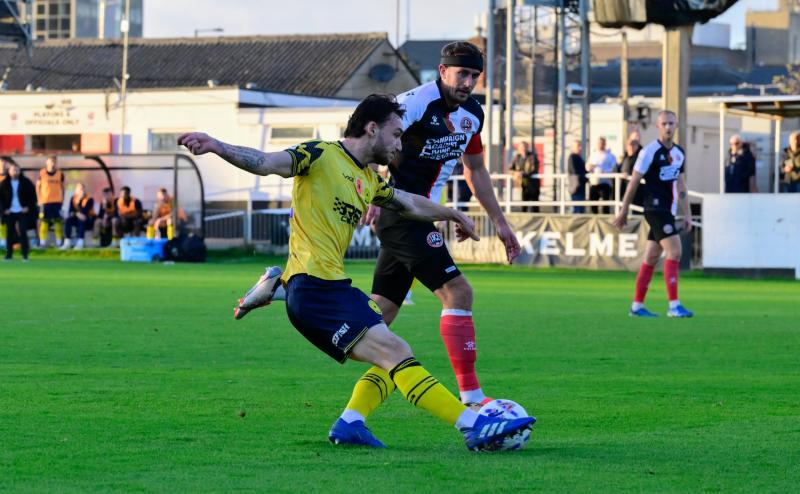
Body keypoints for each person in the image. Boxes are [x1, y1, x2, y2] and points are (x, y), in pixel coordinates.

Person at [177, 94, 534, 451]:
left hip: (334, 288)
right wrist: (216, 145)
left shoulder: (368, 178)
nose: (399, 145)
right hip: (315, 292)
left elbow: (409, 202)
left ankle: (350, 422)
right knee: (395, 352)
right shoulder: (319, 154)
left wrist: (452, 213)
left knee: (393, 356)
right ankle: (474, 426)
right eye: (396, 135)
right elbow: (265, 162)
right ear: (372, 128)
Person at [337, 41, 521, 432]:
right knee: (459, 292)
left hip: (421, 215)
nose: (468, 82)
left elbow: (475, 170)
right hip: (402, 212)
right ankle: (471, 397)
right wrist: (373, 188)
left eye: (474, 75)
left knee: (379, 323)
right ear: (442, 71)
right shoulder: (415, 103)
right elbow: (372, 142)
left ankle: (351, 420)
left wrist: (500, 222)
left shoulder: (473, 114)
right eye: (462, 73)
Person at [613, 110, 694, 318]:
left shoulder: (679, 153)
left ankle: (636, 307)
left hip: (668, 210)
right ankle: (674, 306)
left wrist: (687, 214)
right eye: (664, 123)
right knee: (675, 251)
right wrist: (624, 209)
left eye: (671, 123)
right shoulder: (649, 151)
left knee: (651, 257)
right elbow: (633, 182)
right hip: (655, 208)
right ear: (657, 126)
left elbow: (681, 184)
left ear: (676, 125)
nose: (668, 127)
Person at [0, 163, 37, 261]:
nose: (15, 172)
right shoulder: (4, 183)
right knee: (9, 232)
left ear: (20, 171)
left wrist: (28, 207)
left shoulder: (26, 182)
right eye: (13, 170)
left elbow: (33, 196)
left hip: (22, 211)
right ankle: (9, 255)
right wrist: (4, 209)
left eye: (17, 170)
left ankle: (25, 255)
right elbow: (1, 199)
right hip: (9, 212)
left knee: (23, 231)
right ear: (9, 171)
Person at [36, 155, 65, 247]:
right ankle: (42, 242)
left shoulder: (60, 174)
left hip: (57, 202)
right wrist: (39, 199)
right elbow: (38, 187)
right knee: (44, 221)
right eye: (51, 161)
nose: (52, 164)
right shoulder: (42, 173)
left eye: (54, 162)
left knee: (57, 221)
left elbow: (63, 188)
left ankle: (59, 242)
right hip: (45, 202)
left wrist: (62, 200)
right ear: (47, 162)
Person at [586, 137, 616, 214]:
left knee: (605, 205)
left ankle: (605, 219)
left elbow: (614, 168)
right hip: (594, 183)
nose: (600, 145)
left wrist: (605, 172)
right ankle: (595, 218)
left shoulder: (610, 156)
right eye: (598, 143)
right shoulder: (593, 155)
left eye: (602, 143)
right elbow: (587, 167)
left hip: (605, 183)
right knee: (593, 204)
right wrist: (589, 167)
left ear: (604, 144)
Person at [62, 182, 95, 250]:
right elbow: (71, 211)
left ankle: (80, 242)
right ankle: (67, 241)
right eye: (79, 189)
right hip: (76, 219)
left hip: (88, 220)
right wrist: (76, 213)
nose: (81, 191)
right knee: (68, 219)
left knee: (81, 219)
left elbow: (85, 212)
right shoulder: (73, 198)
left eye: (82, 189)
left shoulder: (89, 199)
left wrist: (78, 210)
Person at [509, 141, 540, 212]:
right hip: (523, 184)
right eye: (521, 147)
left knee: (535, 205)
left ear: (527, 147)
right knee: (524, 204)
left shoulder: (532, 156)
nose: (523, 148)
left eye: (524, 146)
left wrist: (522, 174)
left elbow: (534, 169)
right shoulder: (517, 157)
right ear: (518, 148)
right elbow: (510, 169)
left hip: (533, 184)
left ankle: (536, 218)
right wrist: (515, 173)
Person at [618, 135, 644, 209]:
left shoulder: (639, 159)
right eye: (629, 145)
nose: (631, 147)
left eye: (633, 145)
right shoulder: (625, 157)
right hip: (625, 188)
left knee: (636, 209)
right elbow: (619, 169)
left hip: (637, 191)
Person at [567, 140, 587, 213]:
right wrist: (584, 178)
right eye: (578, 146)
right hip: (576, 187)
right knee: (578, 209)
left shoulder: (579, 158)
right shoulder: (572, 157)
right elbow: (575, 171)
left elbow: (583, 171)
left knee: (581, 208)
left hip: (580, 187)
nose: (580, 148)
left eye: (580, 146)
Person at [0, 158, 8, 249]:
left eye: (4, 164)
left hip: (5, 204)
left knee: (3, 223)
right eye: (1, 163)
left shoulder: (9, 176)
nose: (3, 165)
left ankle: (3, 242)